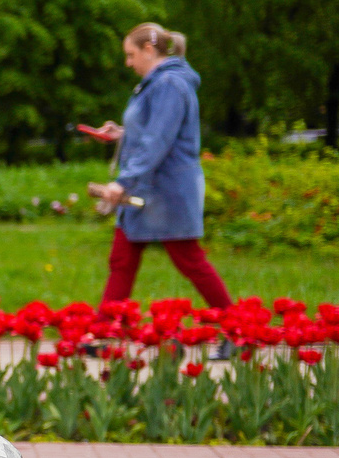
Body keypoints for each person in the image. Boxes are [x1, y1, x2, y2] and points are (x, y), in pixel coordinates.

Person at [85, 22, 232, 309]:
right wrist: (123, 134)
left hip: (167, 191)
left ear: (149, 50)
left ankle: (236, 325)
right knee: (122, 259)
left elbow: (158, 140)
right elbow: (155, 131)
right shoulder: (157, 83)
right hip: (147, 188)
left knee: (189, 260)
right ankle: (104, 328)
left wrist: (123, 182)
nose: (128, 63)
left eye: (131, 55)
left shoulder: (169, 85)